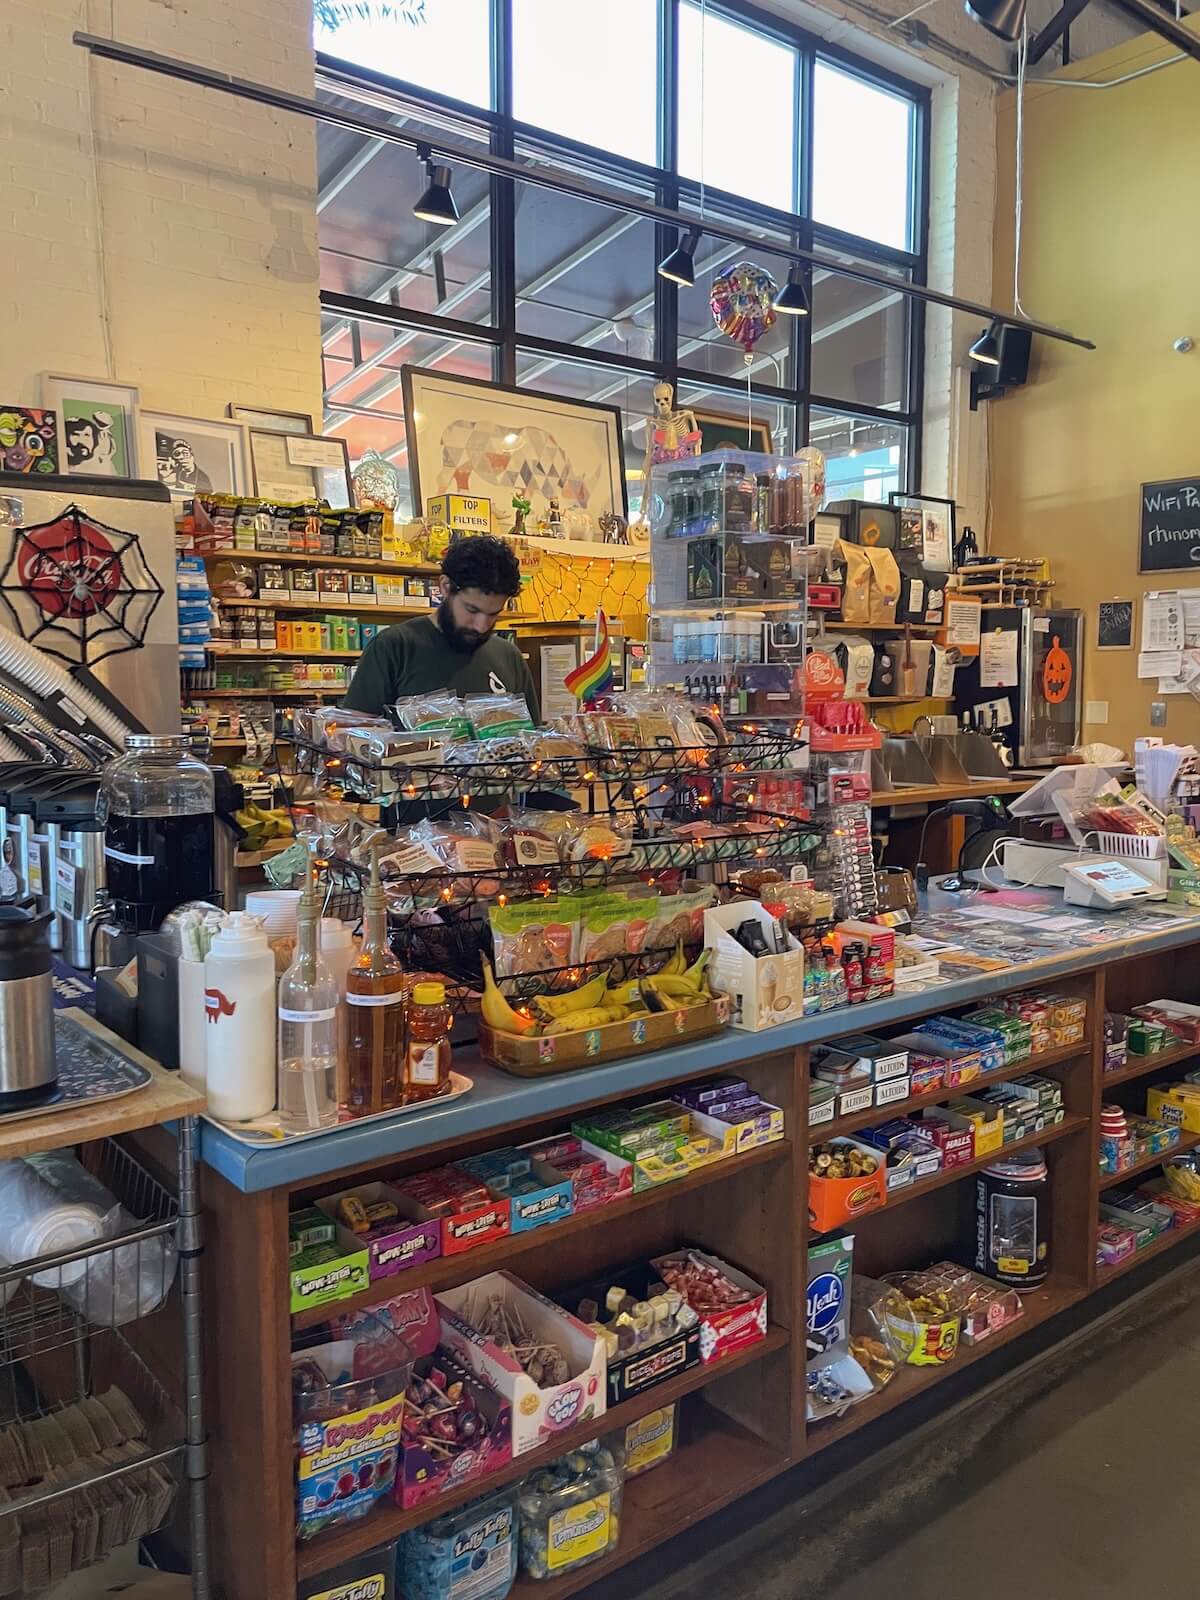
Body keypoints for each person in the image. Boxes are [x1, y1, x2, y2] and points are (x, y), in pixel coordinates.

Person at [343, 534, 539, 719]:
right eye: (472, 610)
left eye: (493, 614)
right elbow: (355, 735)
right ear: (445, 587)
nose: (481, 626)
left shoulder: (509, 657)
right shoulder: (393, 647)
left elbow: (531, 741)